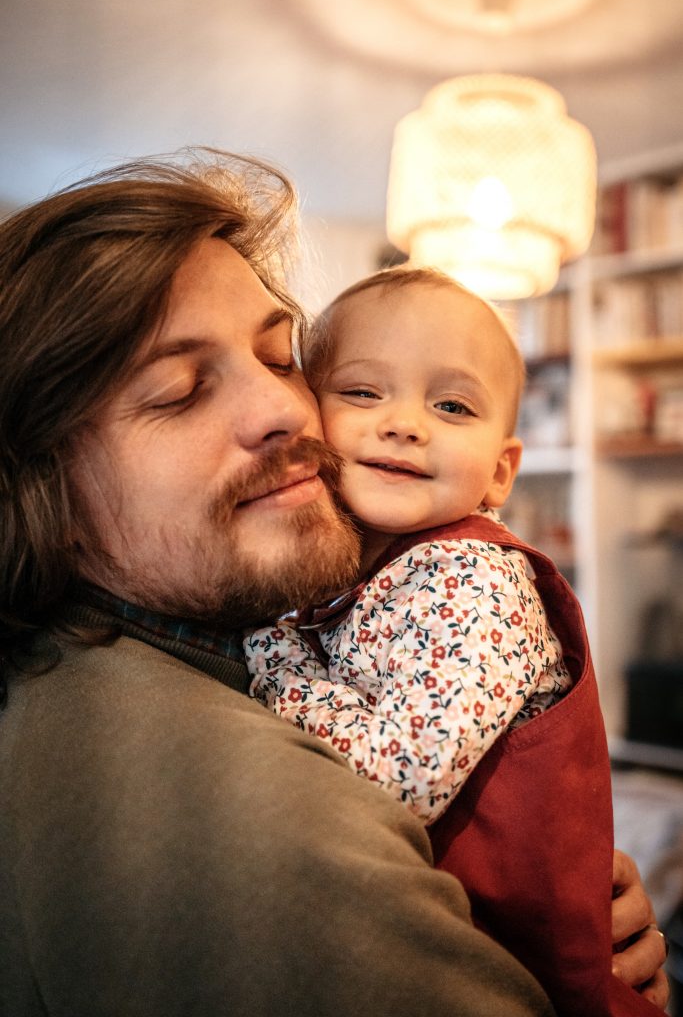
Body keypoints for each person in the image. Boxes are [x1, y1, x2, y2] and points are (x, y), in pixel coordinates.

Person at [0, 150, 667, 1017]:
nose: (289, 411)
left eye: (281, 360)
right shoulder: (256, 819)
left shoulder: (166, 648)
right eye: (178, 390)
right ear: (41, 488)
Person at [246, 267, 670, 1016]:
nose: (405, 422)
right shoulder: (357, 574)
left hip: (534, 976)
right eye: (362, 392)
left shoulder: (466, 579)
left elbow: (391, 789)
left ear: (500, 471)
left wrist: (272, 656)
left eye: (450, 404)